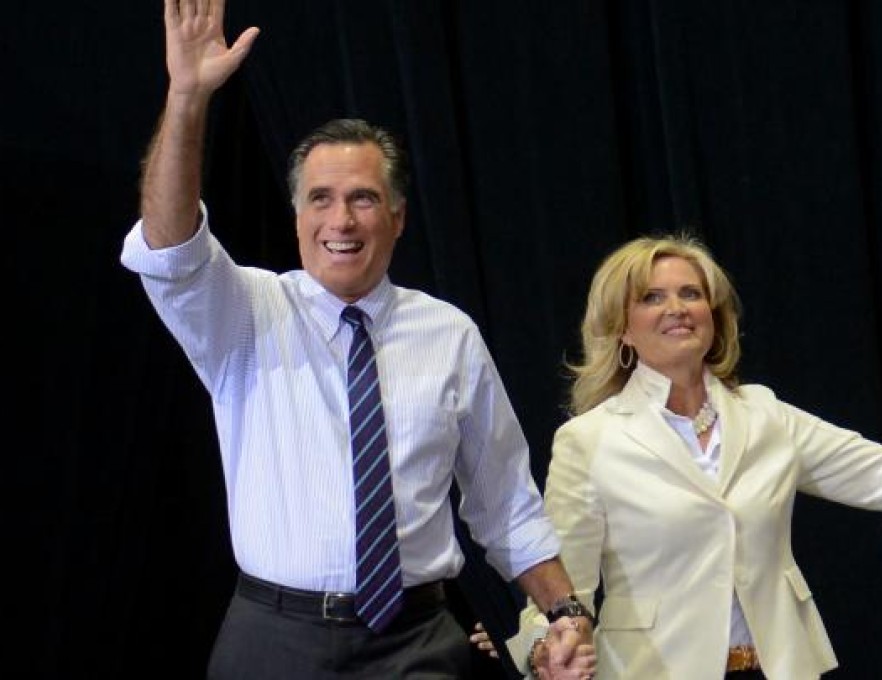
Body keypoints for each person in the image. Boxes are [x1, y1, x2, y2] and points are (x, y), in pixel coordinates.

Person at [120, 1, 596, 678]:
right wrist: (188, 98)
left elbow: (506, 506)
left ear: (397, 218)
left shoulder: (449, 335)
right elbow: (169, 248)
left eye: (363, 199)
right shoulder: (244, 311)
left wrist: (567, 613)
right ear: (296, 216)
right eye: (320, 198)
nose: (340, 220)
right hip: (274, 641)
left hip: (415, 644)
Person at [498, 233, 882, 679]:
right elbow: (562, 591)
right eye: (652, 297)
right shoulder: (589, 440)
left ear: (713, 317)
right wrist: (545, 650)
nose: (677, 307)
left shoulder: (765, 415)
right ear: (622, 329)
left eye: (691, 293)